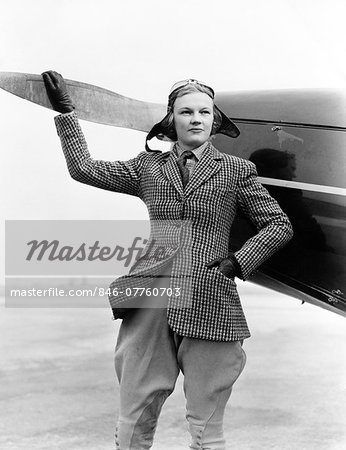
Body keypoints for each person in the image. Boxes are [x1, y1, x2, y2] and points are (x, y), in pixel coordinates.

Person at [42, 71, 293, 450]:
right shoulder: (148, 168)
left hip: (210, 297)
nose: (196, 118)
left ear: (214, 120)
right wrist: (66, 113)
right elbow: (84, 169)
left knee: (207, 426)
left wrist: (236, 264)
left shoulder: (237, 171)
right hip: (150, 298)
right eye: (186, 111)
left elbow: (278, 224)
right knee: (133, 417)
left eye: (205, 112)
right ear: (170, 120)